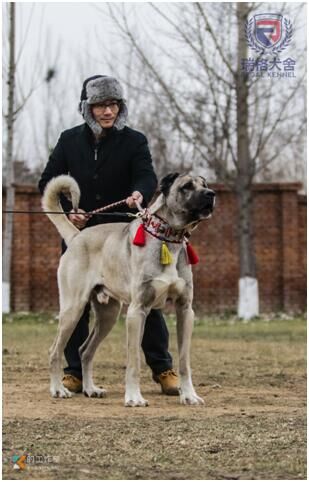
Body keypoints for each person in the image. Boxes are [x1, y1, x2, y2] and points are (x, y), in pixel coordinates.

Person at [38, 75, 179, 396]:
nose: (107, 111)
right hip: (83, 235)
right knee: (77, 308)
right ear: (88, 108)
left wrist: (138, 193)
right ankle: (72, 373)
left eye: (113, 104)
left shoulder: (134, 141)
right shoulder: (69, 140)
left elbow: (147, 175)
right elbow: (47, 180)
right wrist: (68, 208)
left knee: (147, 299)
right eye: (101, 104)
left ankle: (163, 368)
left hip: (128, 236)